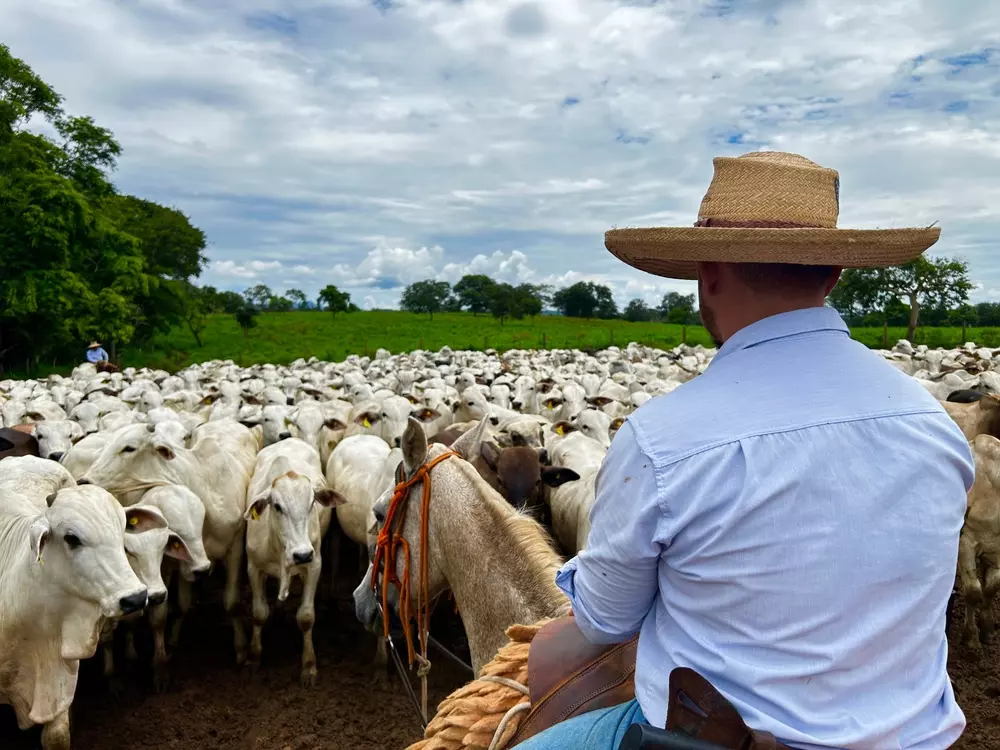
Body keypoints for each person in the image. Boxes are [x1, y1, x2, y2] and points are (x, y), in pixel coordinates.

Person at [517, 152, 974, 750]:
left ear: (707, 273)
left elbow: (605, 620)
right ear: (833, 273)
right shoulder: (934, 423)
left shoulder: (663, 440)